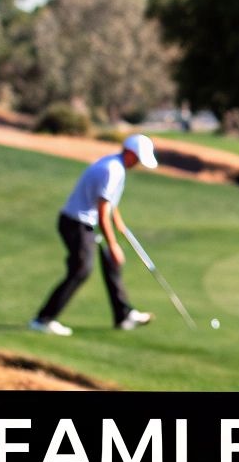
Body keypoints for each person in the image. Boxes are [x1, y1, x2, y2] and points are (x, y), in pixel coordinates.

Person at [29, 133, 160, 336]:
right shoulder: (112, 170)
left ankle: (124, 315)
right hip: (76, 223)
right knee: (81, 270)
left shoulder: (116, 166)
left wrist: (120, 225)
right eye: (139, 159)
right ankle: (43, 319)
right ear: (131, 153)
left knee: (110, 265)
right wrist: (114, 244)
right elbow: (102, 211)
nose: (139, 164)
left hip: (85, 223)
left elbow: (110, 204)